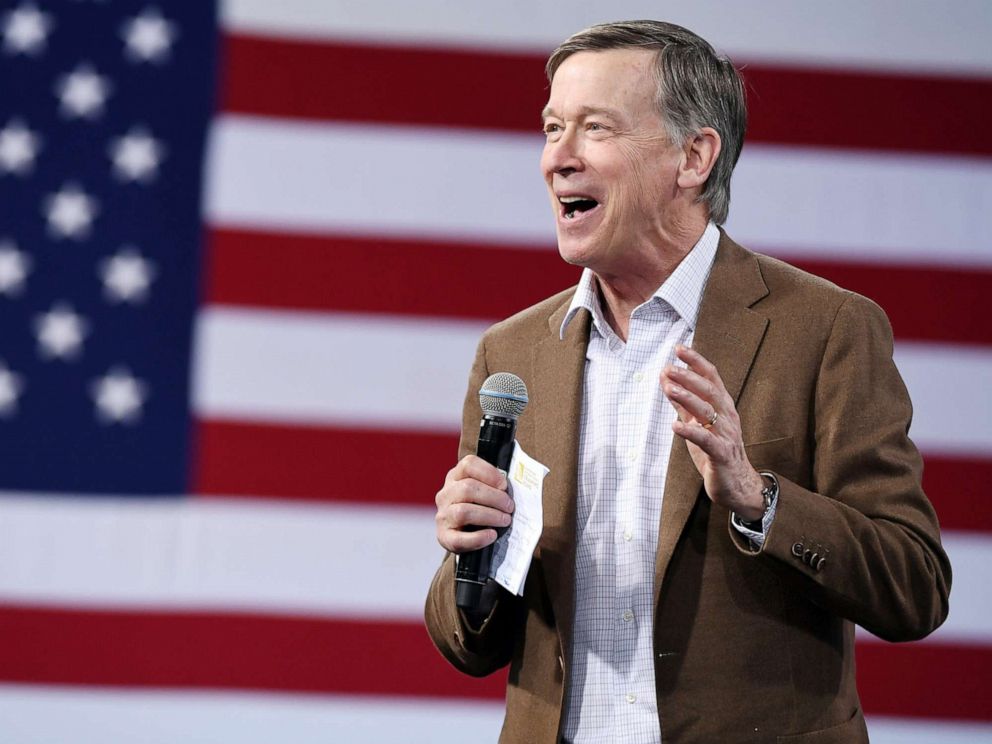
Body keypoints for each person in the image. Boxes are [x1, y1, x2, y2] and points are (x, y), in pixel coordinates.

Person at [425, 20, 951, 744]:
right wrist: (472, 553)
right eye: (552, 128)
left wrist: (758, 499)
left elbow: (915, 587)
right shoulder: (514, 355)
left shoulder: (825, 331)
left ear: (694, 156)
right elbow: (468, 645)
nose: (558, 159)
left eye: (595, 129)